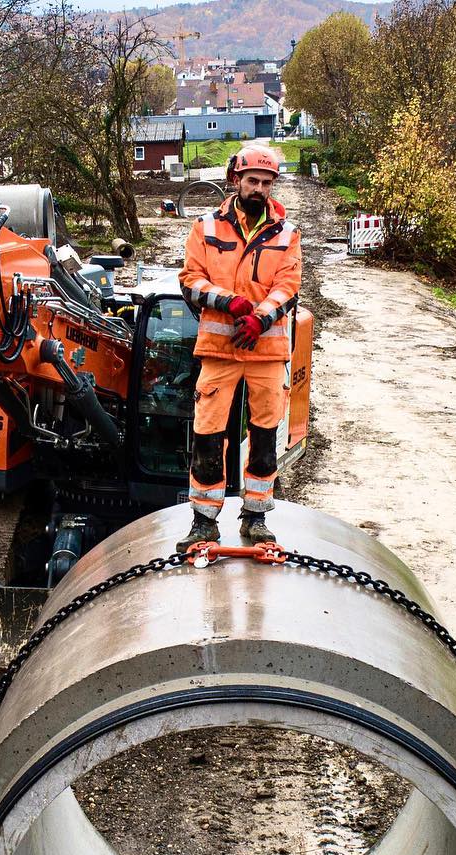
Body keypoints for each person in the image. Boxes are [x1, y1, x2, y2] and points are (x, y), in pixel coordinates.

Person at [176, 144, 302, 550]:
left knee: (264, 434)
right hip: (218, 348)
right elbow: (190, 279)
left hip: (266, 352)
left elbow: (288, 286)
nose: (260, 189)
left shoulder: (286, 234)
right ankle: (204, 520)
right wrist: (226, 301)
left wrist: (259, 317)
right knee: (208, 432)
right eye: (253, 181)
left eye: (267, 183)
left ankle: (257, 515)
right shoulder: (206, 228)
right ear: (236, 180)